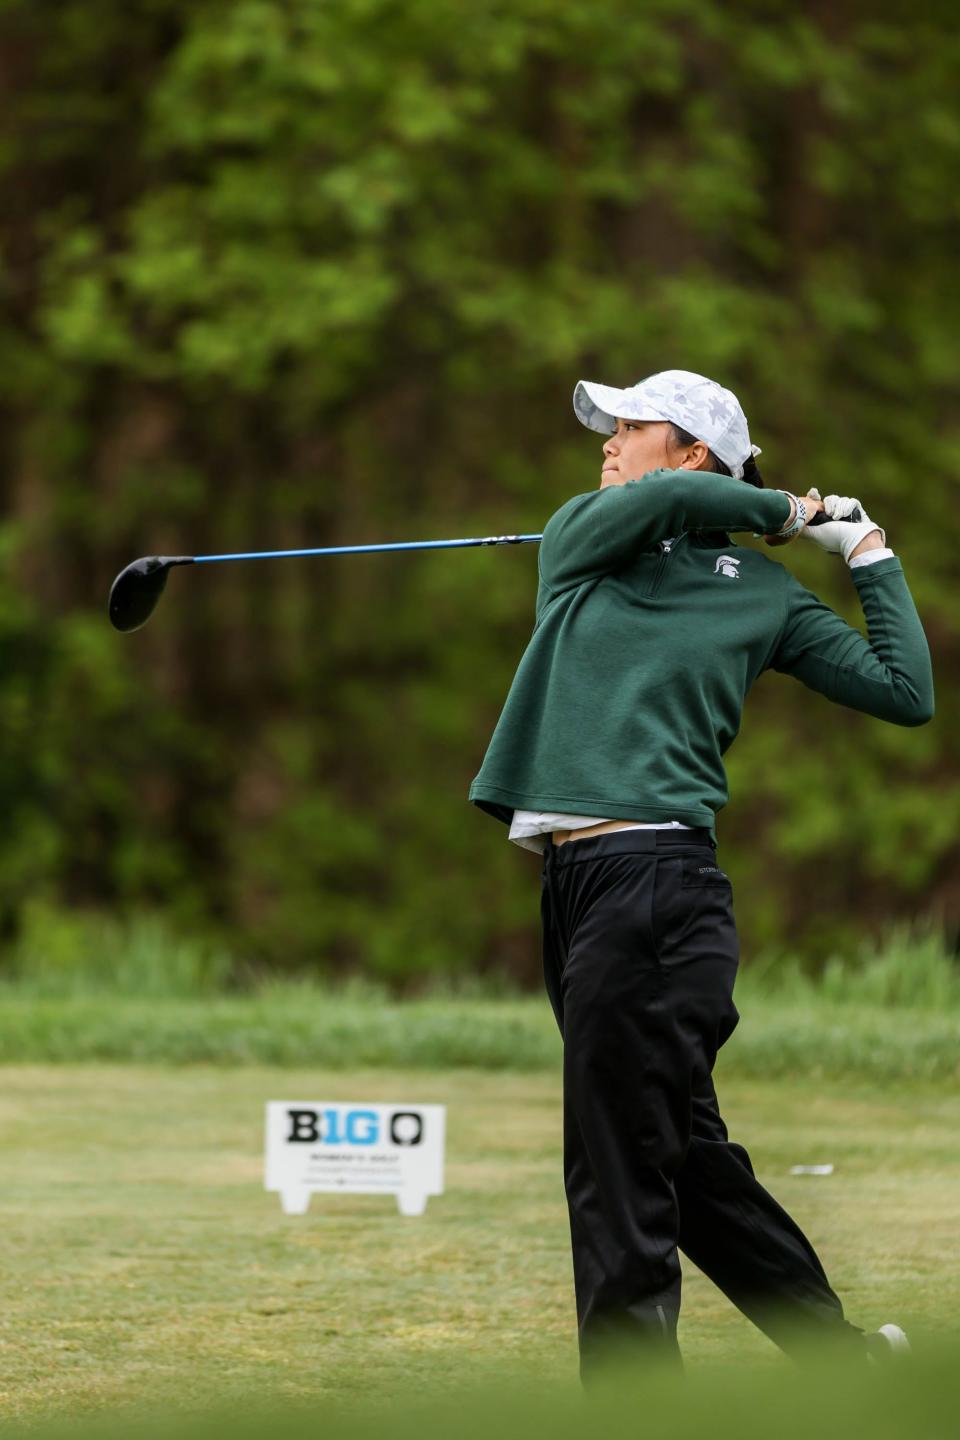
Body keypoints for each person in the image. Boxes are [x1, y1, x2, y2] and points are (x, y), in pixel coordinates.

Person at [468, 369, 933, 1375]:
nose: (606, 442)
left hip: (658, 881)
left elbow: (905, 693)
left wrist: (865, 554)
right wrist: (787, 510)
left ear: (691, 448)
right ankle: (841, 1359)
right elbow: (672, 505)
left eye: (629, 426)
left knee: (614, 1169)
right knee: (679, 1158)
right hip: (579, 889)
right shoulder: (582, 541)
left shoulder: (763, 594)